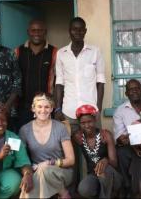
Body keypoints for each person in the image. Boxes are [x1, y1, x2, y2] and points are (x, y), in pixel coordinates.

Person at [55, 16, 106, 191]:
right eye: (74, 29)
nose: (78, 32)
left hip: (91, 112)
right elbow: (59, 83)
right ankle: (72, 187)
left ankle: (90, 187)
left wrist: (98, 108)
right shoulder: (61, 54)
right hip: (69, 112)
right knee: (70, 151)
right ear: (70, 31)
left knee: (93, 151)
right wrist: (58, 108)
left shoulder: (95, 51)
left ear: (85, 31)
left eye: (81, 29)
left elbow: (100, 81)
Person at [19, 93, 75, 199]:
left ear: (52, 109)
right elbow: (20, 156)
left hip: (61, 171)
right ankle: (63, 193)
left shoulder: (60, 128)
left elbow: (71, 160)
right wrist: (27, 173)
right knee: (36, 178)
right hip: (37, 171)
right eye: (39, 106)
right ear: (33, 108)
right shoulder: (25, 130)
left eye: (47, 107)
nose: (43, 110)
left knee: (44, 170)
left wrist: (49, 163)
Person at [15, 19, 57, 129]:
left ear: (45, 32)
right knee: (23, 140)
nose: (36, 33)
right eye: (33, 30)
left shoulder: (54, 52)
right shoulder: (18, 51)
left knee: (45, 140)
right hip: (23, 107)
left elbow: (58, 81)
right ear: (28, 32)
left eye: (40, 30)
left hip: (46, 108)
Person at [75, 105, 122, 198]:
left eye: (89, 121)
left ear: (95, 120)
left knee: (103, 171)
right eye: (83, 123)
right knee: (83, 189)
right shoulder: (78, 137)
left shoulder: (105, 135)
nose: (87, 125)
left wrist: (106, 160)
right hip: (93, 175)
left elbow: (115, 163)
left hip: (112, 176)